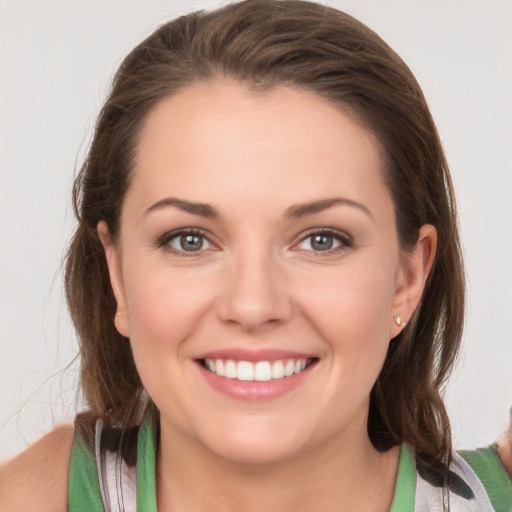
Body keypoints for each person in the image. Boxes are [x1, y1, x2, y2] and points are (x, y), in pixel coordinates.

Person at [0, 0, 510, 510]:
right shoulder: (39, 496)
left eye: (321, 239)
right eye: (189, 240)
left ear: (408, 276)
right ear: (117, 273)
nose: (252, 305)